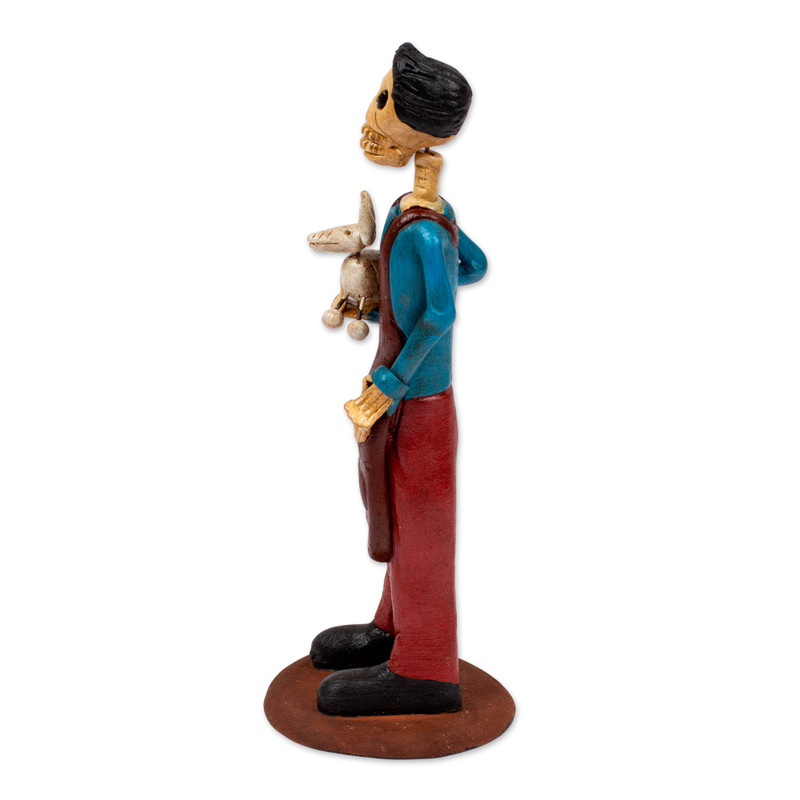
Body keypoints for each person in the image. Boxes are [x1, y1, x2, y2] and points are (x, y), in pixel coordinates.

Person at [311, 43, 487, 716]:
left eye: (386, 102)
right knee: (395, 514)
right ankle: (394, 630)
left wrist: (391, 379)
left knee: (421, 530)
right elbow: (475, 266)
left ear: (421, 127)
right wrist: (383, 302)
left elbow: (441, 313)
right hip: (404, 390)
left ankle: (426, 668)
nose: (374, 112)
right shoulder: (423, 214)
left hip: (418, 397)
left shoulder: (421, 230)